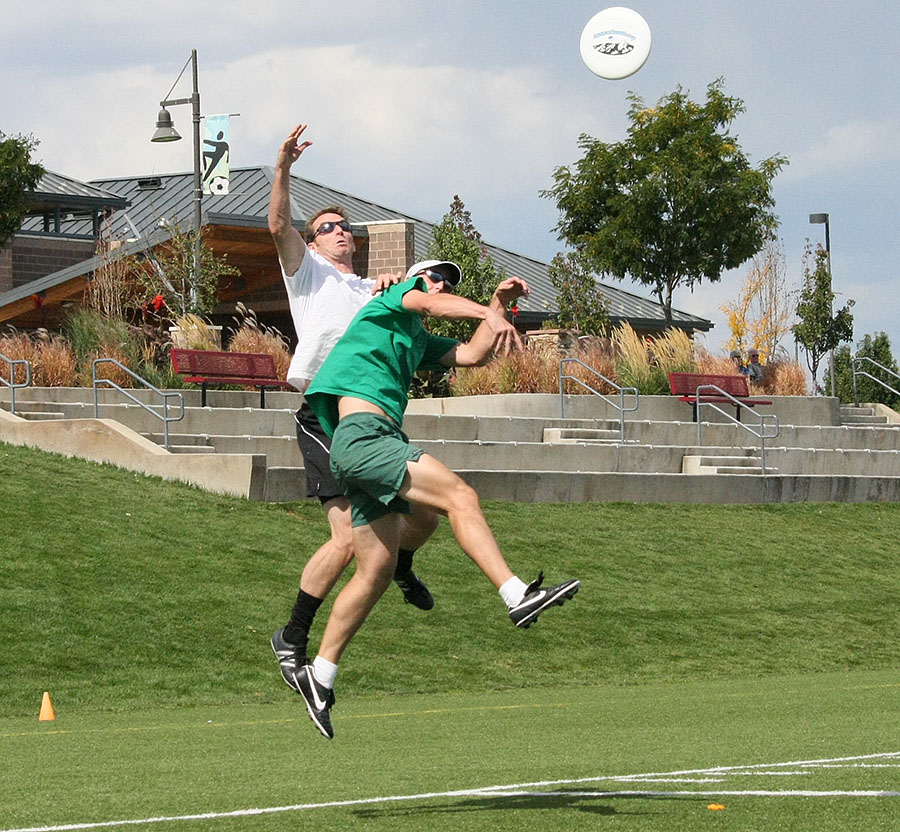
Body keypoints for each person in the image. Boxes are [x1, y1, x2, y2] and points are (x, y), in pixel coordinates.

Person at [296, 260, 581, 739]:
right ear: (412, 280)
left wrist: (497, 306)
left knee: (376, 572)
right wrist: (482, 312)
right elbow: (429, 301)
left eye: (449, 281)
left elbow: (472, 356)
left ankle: (319, 675)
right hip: (365, 437)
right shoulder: (389, 302)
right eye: (435, 277)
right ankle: (517, 595)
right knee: (460, 496)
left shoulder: (414, 340)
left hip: (362, 446)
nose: (442, 285)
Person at [267, 123, 439, 695]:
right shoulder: (306, 273)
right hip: (323, 415)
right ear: (312, 242)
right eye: (328, 228)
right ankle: (292, 639)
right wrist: (283, 168)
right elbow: (275, 225)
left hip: (366, 419)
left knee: (425, 517)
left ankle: (405, 563)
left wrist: (398, 283)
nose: (341, 233)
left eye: (345, 227)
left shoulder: (368, 286)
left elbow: (416, 298)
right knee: (345, 543)